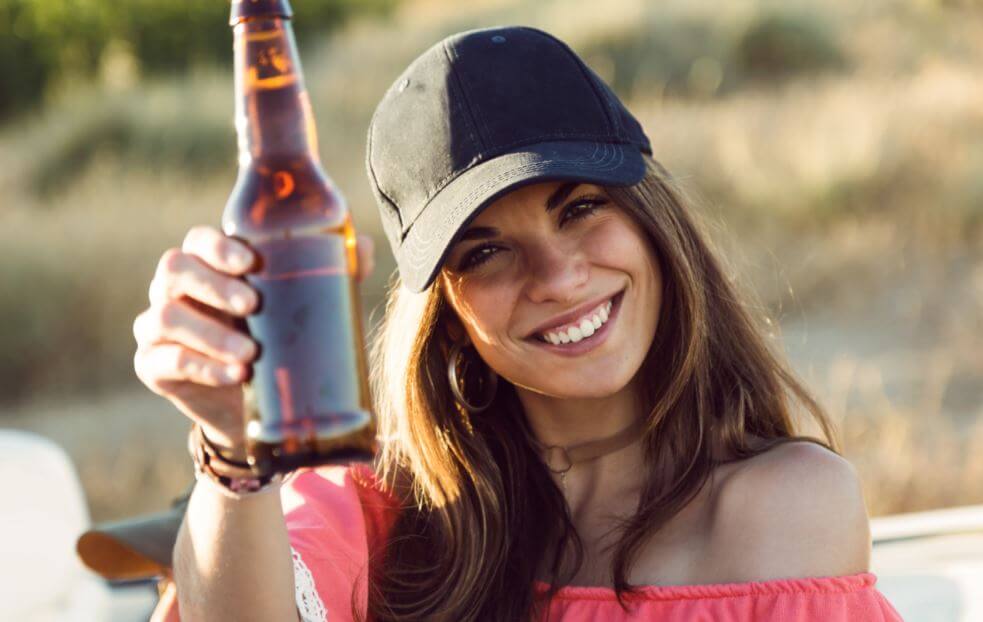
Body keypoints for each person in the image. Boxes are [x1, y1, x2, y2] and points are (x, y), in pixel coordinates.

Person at [136, 25, 903, 622]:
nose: (558, 276)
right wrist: (233, 453)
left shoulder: (782, 506)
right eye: (487, 251)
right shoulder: (379, 516)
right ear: (446, 315)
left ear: (654, 223)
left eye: (580, 208)